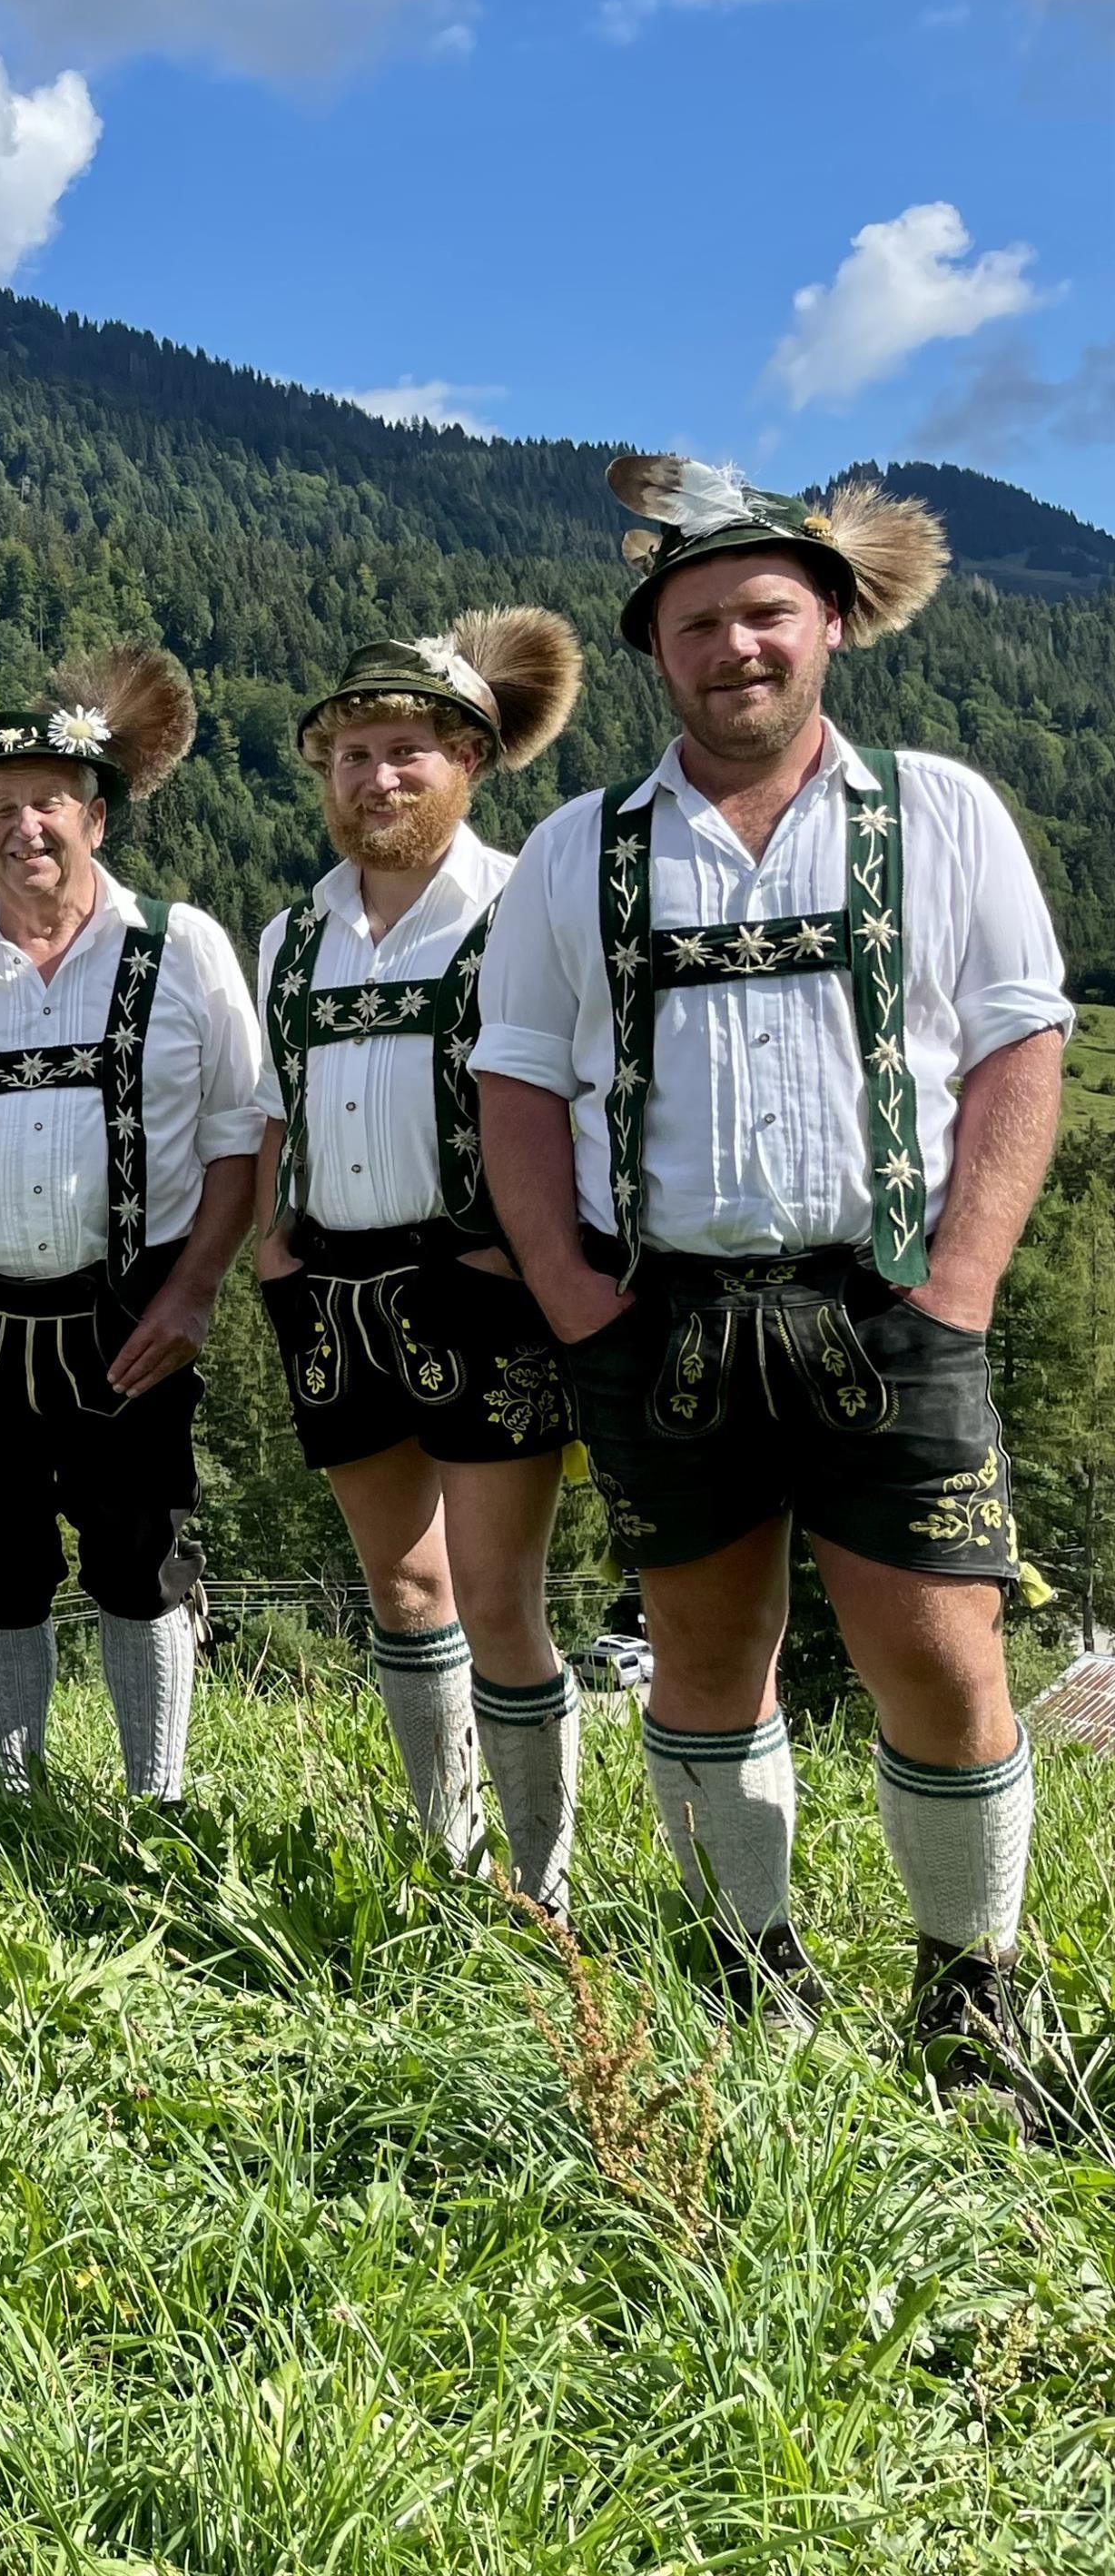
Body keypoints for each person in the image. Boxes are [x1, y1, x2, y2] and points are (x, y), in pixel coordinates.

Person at [475, 459, 1068, 2107]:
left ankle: (969, 1994)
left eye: (764, 615)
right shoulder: (574, 851)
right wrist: (581, 1306)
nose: (734, 647)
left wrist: (958, 1289)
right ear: (655, 651)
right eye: (697, 624)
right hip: (665, 1316)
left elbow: (1023, 1047)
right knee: (702, 1652)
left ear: (828, 627)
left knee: (944, 1656)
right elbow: (515, 1087)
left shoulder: (938, 810)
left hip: (889, 1310)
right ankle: (751, 1972)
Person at [0, 648, 265, 1801]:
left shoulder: (179, 948)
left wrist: (190, 1297)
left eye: (46, 803)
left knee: (141, 1561)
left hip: (128, 1314)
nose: (23, 827)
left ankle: (158, 1798)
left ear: (95, 816)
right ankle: (10, 1798)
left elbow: (240, 1138)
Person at [254, 612, 588, 1908]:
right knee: (402, 1589)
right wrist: (277, 1252)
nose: (374, 779)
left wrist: (528, 1256)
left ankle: (540, 1878)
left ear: (467, 761)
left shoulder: (524, 908)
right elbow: (276, 1100)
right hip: (331, 1285)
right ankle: (446, 1848)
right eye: (349, 756)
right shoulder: (294, 935)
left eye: (404, 753)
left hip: (478, 1285)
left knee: (500, 1600)